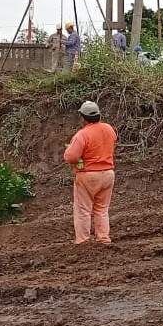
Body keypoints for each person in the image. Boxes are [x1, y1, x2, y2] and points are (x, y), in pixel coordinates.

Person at [62, 100, 117, 245]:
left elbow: (70, 157)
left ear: (83, 117)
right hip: (108, 174)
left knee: (83, 210)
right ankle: (103, 239)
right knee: (102, 209)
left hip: (88, 175)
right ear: (98, 114)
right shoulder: (109, 129)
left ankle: (83, 241)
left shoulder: (83, 134)